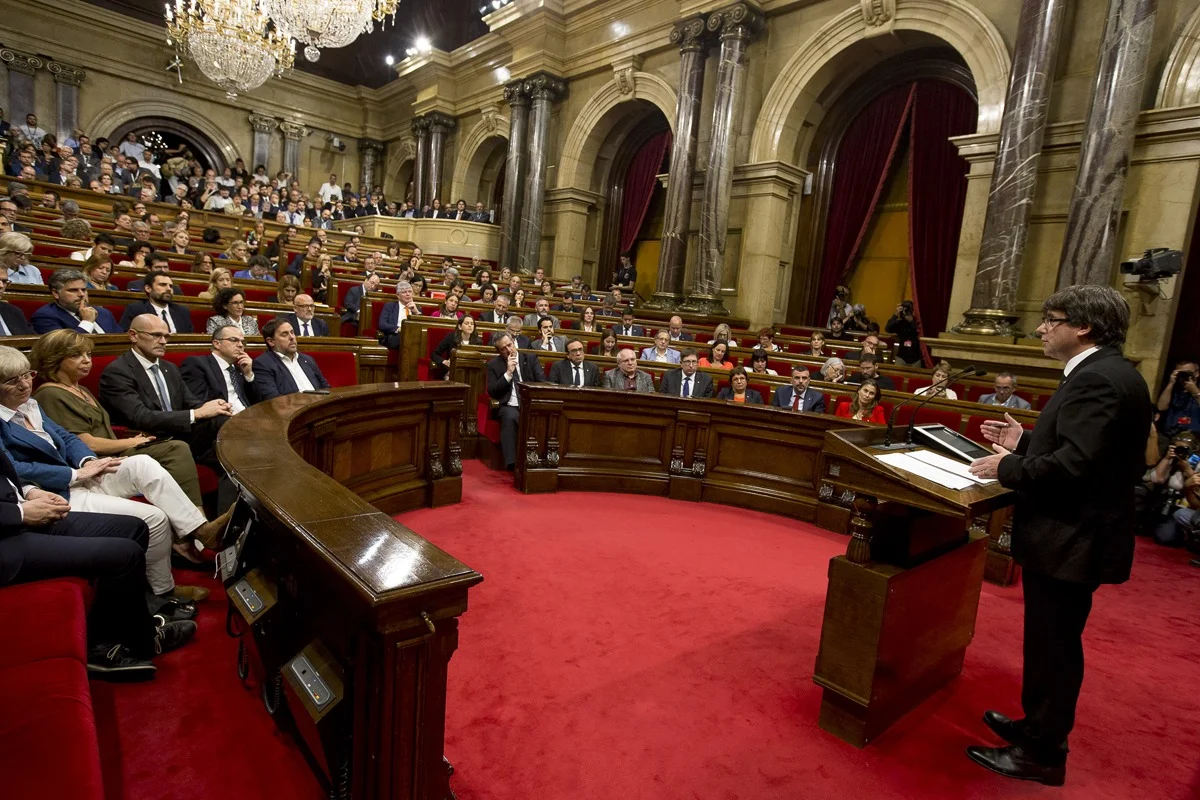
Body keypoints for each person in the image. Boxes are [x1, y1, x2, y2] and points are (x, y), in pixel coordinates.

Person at [966, 286, 1151, 786]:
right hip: (1077, 535)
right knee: (1051, 643)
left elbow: (1074, 467)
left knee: (1054, 648)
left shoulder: (1097, 379)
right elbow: (1089, 451)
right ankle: (1036, 728)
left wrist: (1008, 467)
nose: (1042, 328)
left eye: (1051, 319)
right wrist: (1025, 441)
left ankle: (1042, 753)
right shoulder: (1112, 372)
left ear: (1083, 326)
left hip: (1073, 537)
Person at [0, 346, 228, 605]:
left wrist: (89, 461)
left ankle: (200, 530)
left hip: (81, 474)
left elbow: (66, 437)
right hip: (55, 492)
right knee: (155, 518)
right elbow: (13, 468)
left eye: (27, 375)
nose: (24, 384)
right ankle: (163, 591)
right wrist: (74, 473)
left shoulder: (30, 404)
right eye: (12, 381)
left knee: (142, 463)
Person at [29, 330, 211, 564]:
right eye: (76, 355)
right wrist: (132, 442)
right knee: (175, 449)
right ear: (54, 359)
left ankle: (194, 528)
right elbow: (84, 442)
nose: (87, 360)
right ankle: (195, 529)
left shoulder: (81, 389)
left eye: (88, 354)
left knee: (176, 447)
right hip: (95, 462)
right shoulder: (50, 394)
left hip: (114, 453)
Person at [486, 332, 546, 469]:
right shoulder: (493, 365)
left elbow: (542, 382)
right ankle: (512, 464)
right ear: (499, 351)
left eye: (509, 345)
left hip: (531, 403)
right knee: (509, 416)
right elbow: (492, 391)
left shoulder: (530, 359)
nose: (508, 350)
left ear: (514, 342)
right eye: (503, 349)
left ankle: (542, 460)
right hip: (509, 405)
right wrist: (508, 373)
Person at [180, 324, 259, 414]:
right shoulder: (197, 364)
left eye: (243, 342)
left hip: (249, 416)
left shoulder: (240, 368)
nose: (241, 345)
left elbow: (256, 401)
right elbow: (198, 404)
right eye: (234, 340)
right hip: (222, 418)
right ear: (217, 344)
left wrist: (248, 375)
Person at [253, 319, 330, 400]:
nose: (292, 337)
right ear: (271, 341)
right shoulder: (263, 364)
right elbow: (273, 400)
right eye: (284, 334)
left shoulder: (307, 359)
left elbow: (326, 388)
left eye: (292, 332)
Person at [31, 268, 121, 334]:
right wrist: (87, 322)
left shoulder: (103, 313)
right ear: (56, 293)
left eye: (84, 290)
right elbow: (65, 347)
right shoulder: (45, 316)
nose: (81, 294)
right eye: (73, 290)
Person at [119, 270, 194, 333]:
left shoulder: (182, 311)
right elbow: (125, 335)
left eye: (171, 286)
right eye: (162, 285)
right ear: (148, 288)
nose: (169, 289)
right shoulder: (136, 309)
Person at [1156, 358, 1200, 434]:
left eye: (1188, 372)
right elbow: (1161, 407)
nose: (1185, 375)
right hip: (1172, 434)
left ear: (1197, 373)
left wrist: (1195, 392)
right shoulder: (1173, 390)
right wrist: (1171, 383)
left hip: (1195, 436)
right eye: (1181, 373)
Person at [886, 300, 923, 366]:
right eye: (904, 310)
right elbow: (888, 329)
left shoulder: (918, 323)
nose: (906, 312)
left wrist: (911, 321)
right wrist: (896, 314)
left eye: (908, 310)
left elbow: (919, 331)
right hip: (902, 357)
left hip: (916, 358)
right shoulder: (900, 323)